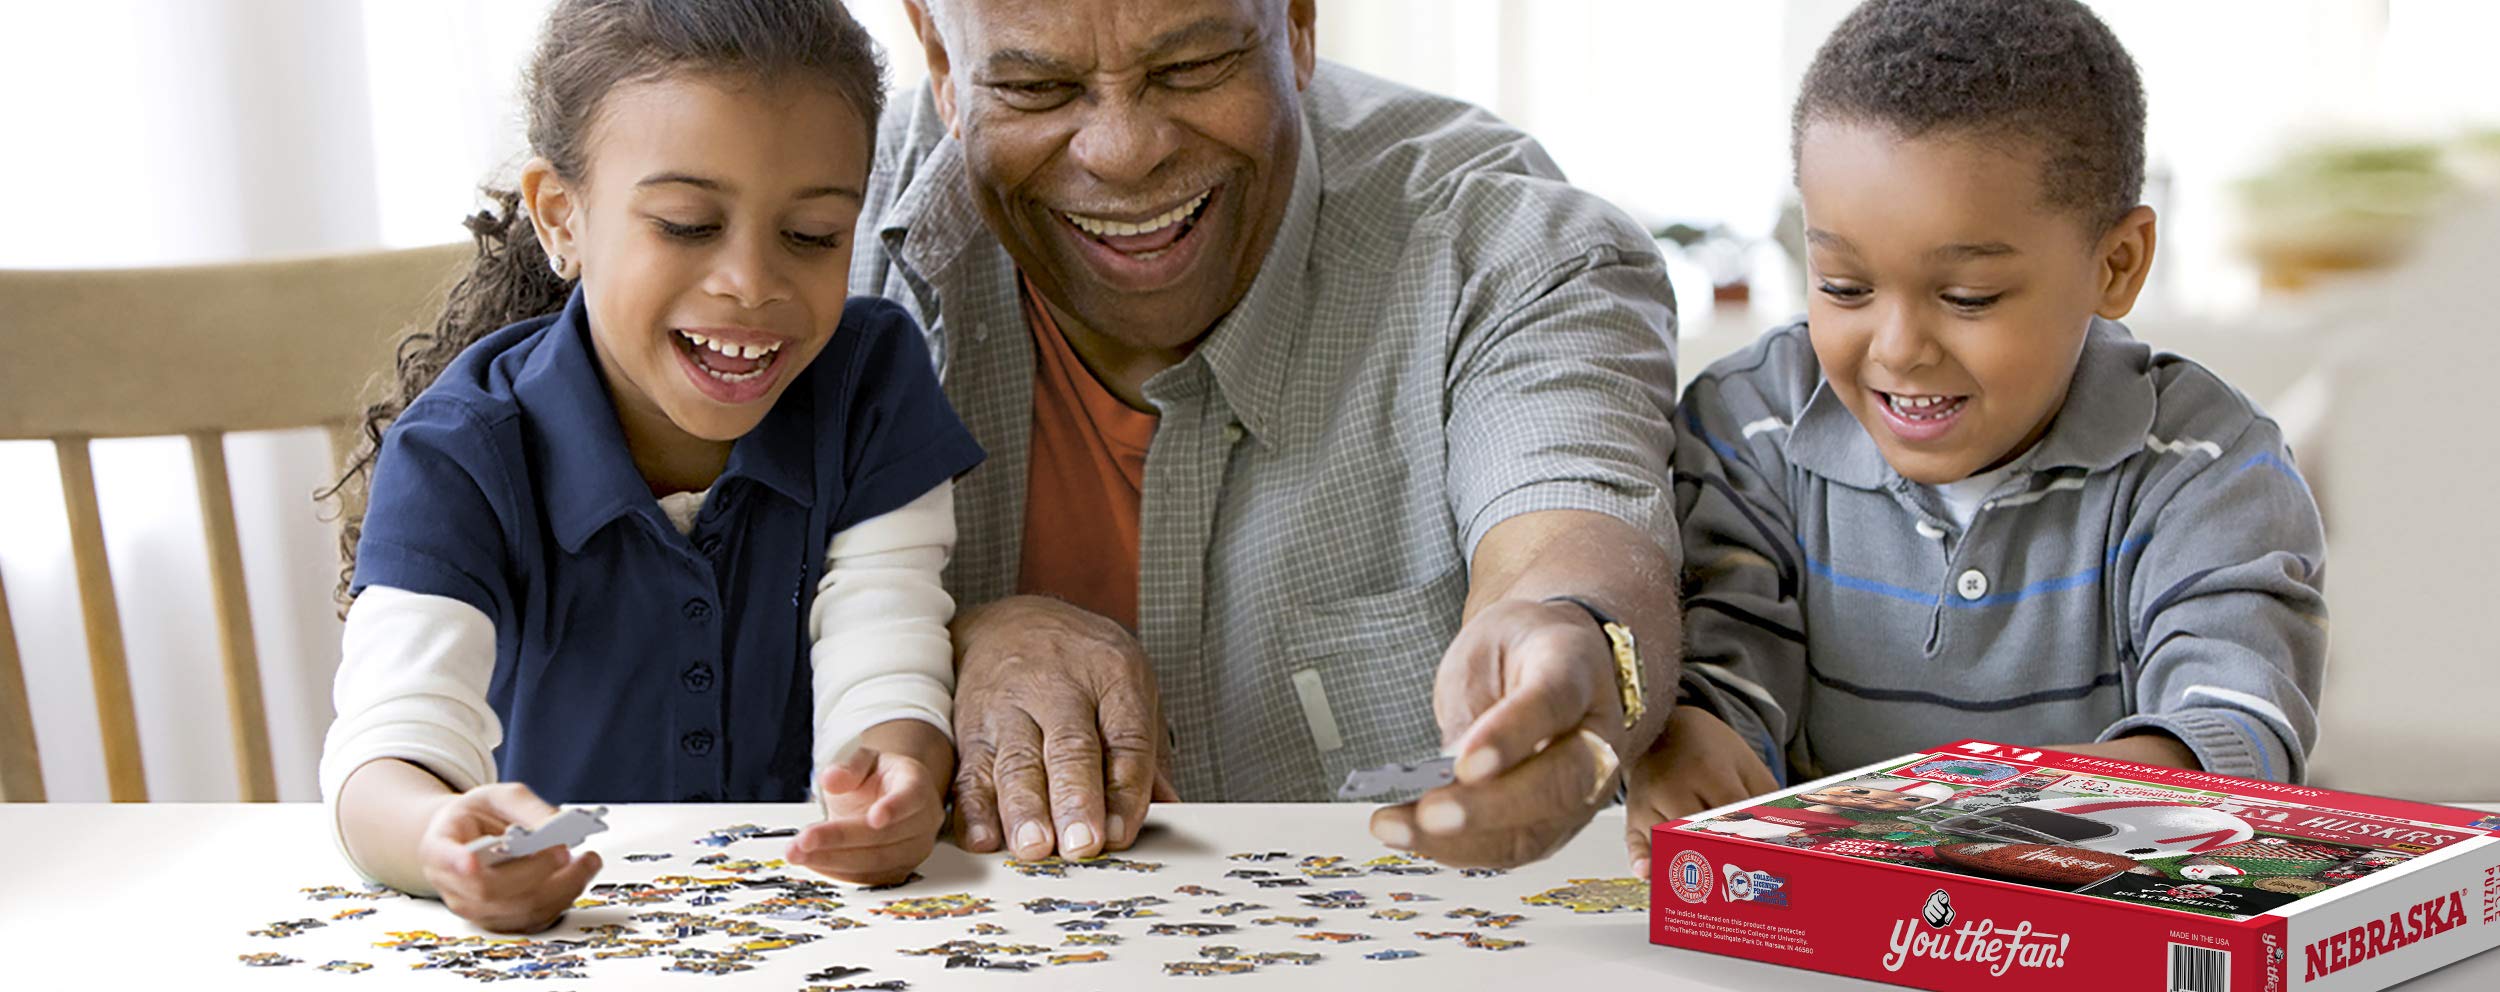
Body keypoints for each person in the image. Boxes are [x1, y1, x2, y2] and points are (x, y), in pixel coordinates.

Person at [857, 0, 1688, 869]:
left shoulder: (1501, 244)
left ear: (1296, 22)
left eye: (1191, 67)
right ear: (941, 61)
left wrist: (1575, 638)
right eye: (1035, 86)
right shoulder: (798, 226)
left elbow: (1568, 529)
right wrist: (938, 643)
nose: (1124, 151)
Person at [316, 0, 983, 932]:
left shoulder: (871, 385)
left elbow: (886, 648)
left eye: (813, 235)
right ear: (561, 217)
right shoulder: (460, 452)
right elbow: (386, 751)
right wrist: (438, 836)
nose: (751, 281)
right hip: (565, 940)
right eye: (684, 223)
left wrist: (895, 777)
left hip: (813, 929)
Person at [1628, 0, 2327, 873]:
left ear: (2116, 265)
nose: (1897, 349)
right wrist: (1688, 733)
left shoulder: (2207, 464)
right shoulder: (1749, 424)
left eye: (1967, 299)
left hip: (2083, 926)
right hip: (1812, 928)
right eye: (1844, 286)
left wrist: (2061, 812)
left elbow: (2232, 715)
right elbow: (1727, 650)